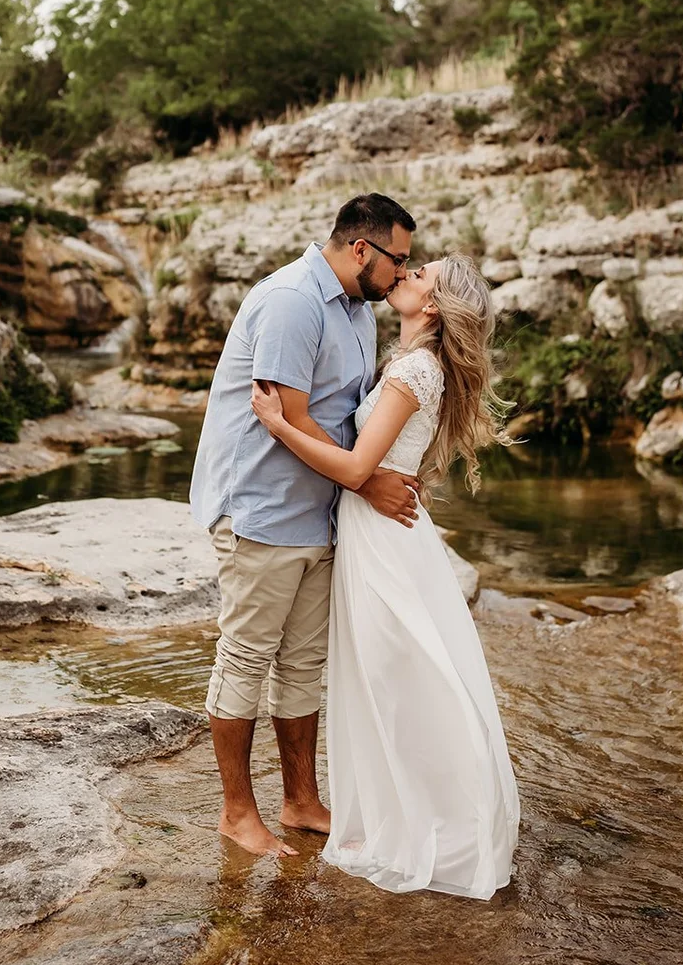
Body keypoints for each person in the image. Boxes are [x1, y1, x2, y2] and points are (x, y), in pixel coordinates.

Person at [250, 252, 520, 899]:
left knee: (396, 679)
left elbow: (354, 468)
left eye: (420, 272)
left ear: (430, 306)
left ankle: (423, 821)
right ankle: (410, 811)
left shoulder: (415, 371)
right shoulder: (411, 366)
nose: (407, 272)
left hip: (383, 543)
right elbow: (390, 465)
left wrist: (278, 425)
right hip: (383, 535)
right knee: (396, 676)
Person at [189, 193, 420, 858]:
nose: (402, 273)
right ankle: (237, 814)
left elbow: (348, 413)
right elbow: (289, 417)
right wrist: (365, 479)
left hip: (318, 513)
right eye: (396, 260)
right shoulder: (291, 300)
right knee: (244, 661)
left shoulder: (356, 309)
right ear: (360, 249)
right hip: (262, 510)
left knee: (301, 665)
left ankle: (300, 800)